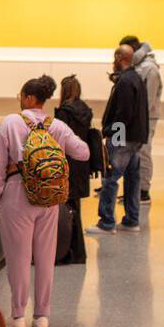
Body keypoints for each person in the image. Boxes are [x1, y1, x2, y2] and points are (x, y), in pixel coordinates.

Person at [0, 76, 90, 327]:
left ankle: (17, 316)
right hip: (49, 199)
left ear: (29, 98)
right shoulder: (56, 125)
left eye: (21, 95)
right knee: (45, 258)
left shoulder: (11, 122)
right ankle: (42, 317)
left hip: (16, 195)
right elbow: (84, 152)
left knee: (19, 258)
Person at [88, 45, 148, 235]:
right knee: (132, 179)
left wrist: (112, 134)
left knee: (110, 177)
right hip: (137, 138)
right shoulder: (136, 78)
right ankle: (132, 220)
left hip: (124, 138)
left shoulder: (125, 82)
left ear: (120, 57)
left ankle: (106, 222)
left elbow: (123, 114)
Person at [55, 74, 95, 264]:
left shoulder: (64, 113)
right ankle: (78, 252)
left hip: (68, 164)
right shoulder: (85, 110)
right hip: (82, 164)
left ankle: (67, 252)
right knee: (75, 208)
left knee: (66, 209)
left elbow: (60, 141)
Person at [120, 35, 162, 203]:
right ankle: (133, 190)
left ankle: (143, 191)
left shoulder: (150, 69)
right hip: (136, 118)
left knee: (143, 152)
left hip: (146, 118)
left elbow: (148, 100)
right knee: (132, 154)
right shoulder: (138, 66)